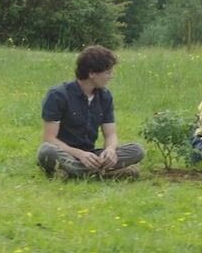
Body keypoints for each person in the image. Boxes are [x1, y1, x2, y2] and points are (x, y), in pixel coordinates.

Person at [37, 45, 145, 179]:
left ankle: (76, 173)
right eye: (107, 72)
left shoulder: (105, 96)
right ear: (92, 73)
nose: (111, 76)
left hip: (91, 154)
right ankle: (103, 174)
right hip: (65, 153)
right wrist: (80, 154)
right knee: (46, 152)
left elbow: (110, 134)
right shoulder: (58, 95)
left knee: (137, 150)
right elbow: (49, 139)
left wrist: (110, 150)